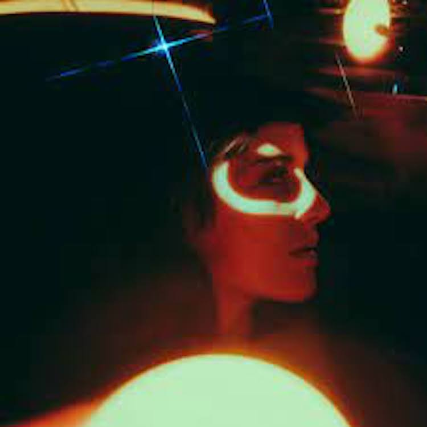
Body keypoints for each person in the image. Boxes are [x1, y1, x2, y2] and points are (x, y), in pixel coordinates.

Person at [8, 86, 427, 427]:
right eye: (275, 177)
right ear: (187, 212)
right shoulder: (121, 403)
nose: (318, 206)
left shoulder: (328, 362)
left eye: (304, 173)